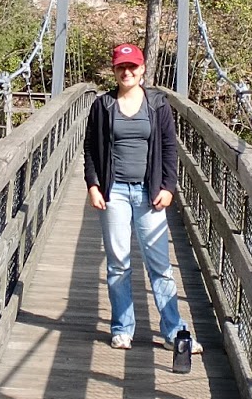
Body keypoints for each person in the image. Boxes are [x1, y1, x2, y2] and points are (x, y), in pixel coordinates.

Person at [83, 43, 200, 354]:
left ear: (143, 69)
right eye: (121, 67)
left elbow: (170, 149)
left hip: (149, 193)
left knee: (159, 264)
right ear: (114, 70)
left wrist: (168, 186)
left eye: (133, 66)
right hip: (115, 192)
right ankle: (122, 328)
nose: (127, 72)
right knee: (119, 263)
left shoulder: (158, 105)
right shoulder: (103, 105)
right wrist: (93, 185)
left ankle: (174, 331)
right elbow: (91, 149)